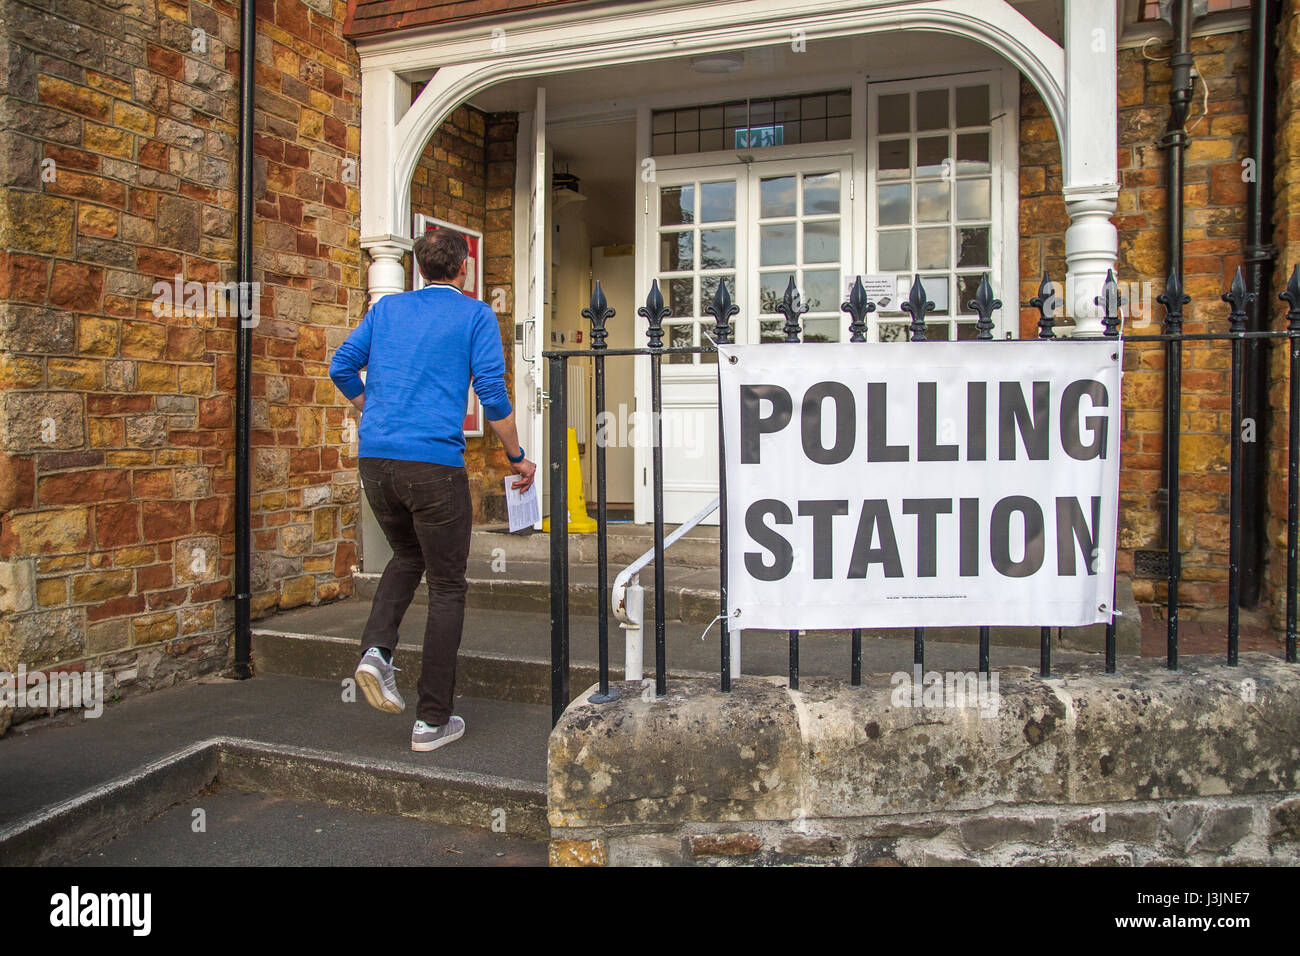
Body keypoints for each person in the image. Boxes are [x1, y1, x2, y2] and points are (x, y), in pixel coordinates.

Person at [329, 229, 536, 752]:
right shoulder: (474, 315)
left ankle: (377, 651)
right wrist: (517, 457)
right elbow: (492, 395)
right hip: (432, 466)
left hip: (376, 462)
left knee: (405, 555)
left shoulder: (388, 311)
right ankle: (432, 720)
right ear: (463, 268)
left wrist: (371, 410)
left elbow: (340, 366)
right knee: (448, 586)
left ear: (420, 269)